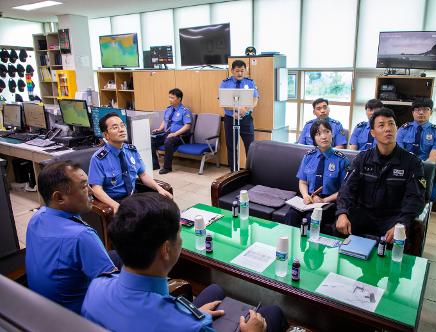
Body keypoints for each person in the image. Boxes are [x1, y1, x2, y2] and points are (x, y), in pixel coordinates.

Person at [82, 192, 288, 332]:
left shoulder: (96, 287)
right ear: (165, 249)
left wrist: (196, 314)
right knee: (273, 313)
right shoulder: (188, 326)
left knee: (215, 289)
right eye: (179, 234)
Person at [25, 161, 116, 313]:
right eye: (83, 186)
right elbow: (114, 293)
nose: (91, 191)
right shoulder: (81, 236)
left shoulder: (37, 217)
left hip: (42, 309)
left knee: (118, 255)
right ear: (59, 197)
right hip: (77, 319)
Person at [335, 108, 426, 243]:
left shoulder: (412, 163)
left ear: (397, 128)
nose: (387, 129)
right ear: (373, 133)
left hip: (393, 218)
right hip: (363, 214)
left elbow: (415, 198)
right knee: (339, 228)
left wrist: (401, 224)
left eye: (391, 124)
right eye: (381, 125)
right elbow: (347, 189)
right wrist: (342, 213)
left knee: (401, 238)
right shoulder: (362, 158)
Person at [89, 112, 172, 214]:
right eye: (115, 127)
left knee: (163, 207)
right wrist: (114, 205)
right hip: (116, 200)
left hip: (133, 196)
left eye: (122, 125)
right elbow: (96, 189)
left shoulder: (131, 150)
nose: (121, 129)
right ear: (106, 135)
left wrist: (159, 188)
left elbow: (143, 175)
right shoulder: (99, 159)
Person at [285, 119, 349, 234]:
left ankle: (310, 250)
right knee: (291, 215)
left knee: (312, 218)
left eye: (327, 131)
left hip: (328, 202)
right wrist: (305, 195)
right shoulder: (308, 156)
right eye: (318, 134)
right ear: (313, 138)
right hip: (309, 199)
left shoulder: (341, 160)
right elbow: (303, 182)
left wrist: (323, 200)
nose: (323, 136)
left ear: (332, 134)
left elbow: (343, 191)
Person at [396, 98, 436, 199]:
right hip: (405, 169)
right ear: (413, 112)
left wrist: (418, 172)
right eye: (417, 109)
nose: (421, 112)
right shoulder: (403, 129)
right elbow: (399, 154)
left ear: (430, 112)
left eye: (425, 109)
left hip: (425, 171)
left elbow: (432, 159)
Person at [220, 60, 259, 172]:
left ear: (245, 70)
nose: (240, 73)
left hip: (246, 119)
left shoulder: (250, 82)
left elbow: (255, 100)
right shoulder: (225, 83)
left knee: (251, 147)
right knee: (231, 147)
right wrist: (236, 109)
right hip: (230, 119)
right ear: (232, 71)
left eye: (242, 70)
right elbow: (223, 103)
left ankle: (251, 172)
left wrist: (245, 109)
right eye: (237, 71)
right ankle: (233, 172)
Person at [151, 88, 193, 174]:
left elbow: (187, 126)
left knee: (168, 141)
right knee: (152, 140)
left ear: (179, 99)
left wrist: (175, 134)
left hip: (180, 136)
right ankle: (155, 164)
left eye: (172, 98)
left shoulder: (185, 111)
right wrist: (159, 129)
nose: (170, 100)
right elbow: (165, 121)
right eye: (169, 97)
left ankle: (167, 167)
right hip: (167, 134)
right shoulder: (168, 109)